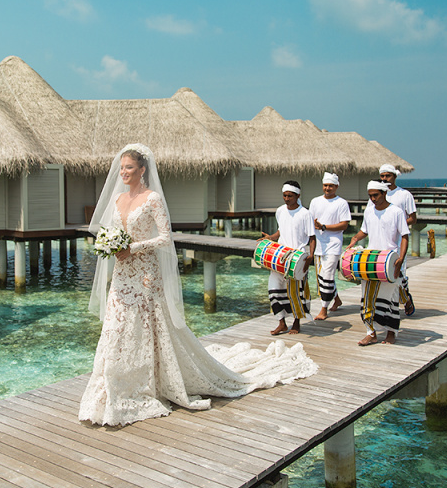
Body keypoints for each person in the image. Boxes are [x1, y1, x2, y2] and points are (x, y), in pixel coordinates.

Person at [80, 144, 317, 426]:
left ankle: (151, 381)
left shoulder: (153, 198)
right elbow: (110, 231)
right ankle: (114, 383)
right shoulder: (118, 198)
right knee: (117, 326)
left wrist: (134, 247)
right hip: (122, 273)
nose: (123, 172)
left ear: (142, 170)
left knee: (145, 325)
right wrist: (111, 245)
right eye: (121, 168)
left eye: (129, 167)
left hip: (145, 272)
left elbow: (165, 238)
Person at [348, 180, 409, 345]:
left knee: (390, 299)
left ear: (384, 193)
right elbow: (364, 230)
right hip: (370, 259)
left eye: (375, 195)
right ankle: (371, 333)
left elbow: (404, 236)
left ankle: (391, 332)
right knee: (367, 298)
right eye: (370, 196)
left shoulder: (396, 212)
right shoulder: (369, 211)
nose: (373, 199)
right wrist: (355, 238)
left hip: (390, 260)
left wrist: (401, 258)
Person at [260, 181, 316, 335]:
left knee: (295, 292)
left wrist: (311, 256)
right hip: (280, 256)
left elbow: (312, 237)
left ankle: (296, 322)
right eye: (284, 195)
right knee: (274, 289)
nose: (286, 198)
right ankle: (282, 323)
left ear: (297, 196)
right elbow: (281, 230)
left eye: (290, 196)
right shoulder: (280, 211)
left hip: (297, 258)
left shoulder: (305, 214)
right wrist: (271, 238)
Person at [309, 172, 351, 321]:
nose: (328, 188)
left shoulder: (341, 203)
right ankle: (337, 299)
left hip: (333, 244)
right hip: (318, 244)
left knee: (327, 276)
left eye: (331, 186)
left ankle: (323, 309)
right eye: (325, 185)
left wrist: (324, 227)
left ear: (336, 186)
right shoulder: (315, 201)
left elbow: (344, 225)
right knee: (321, 277)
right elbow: (309, 221)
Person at [378, 163, 417, 316]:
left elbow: (413, 218)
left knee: (399, 274)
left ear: (394, 176)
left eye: (388, 176)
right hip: (381, 241)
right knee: (384, 275)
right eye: (382, 176)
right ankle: (388, 308)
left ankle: (406, 299)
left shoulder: (404, 195)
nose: (385, 179)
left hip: (399, 241)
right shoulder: (377, 194)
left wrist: (397, 225)